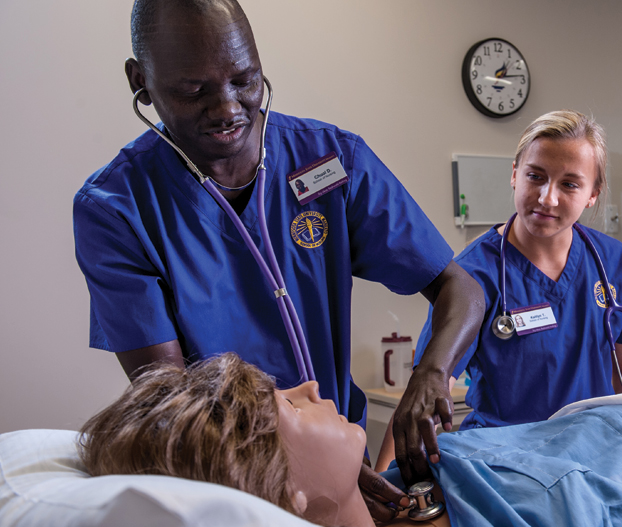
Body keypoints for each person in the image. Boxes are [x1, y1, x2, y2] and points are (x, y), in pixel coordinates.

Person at [71, 0, 483, 520]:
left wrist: (431, 374)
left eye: (245, 80)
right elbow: (175, 404)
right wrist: (311, 461)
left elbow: (460, 288)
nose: (227, 107)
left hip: (337, 453)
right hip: (236, 473)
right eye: (194, 90)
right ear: (141, 82)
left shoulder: (329, 161)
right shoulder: (116, 209)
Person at [79, 354, 622, 527]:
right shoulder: (534, 506)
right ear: (284, 492)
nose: (308, 385)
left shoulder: (410, 489)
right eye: (286, 406)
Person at [388, 111, 622, 470]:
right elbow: (425, 395)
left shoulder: (611, 261)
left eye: (570, 184)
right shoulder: (472, 274)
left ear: (593, 193)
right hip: (504, 464)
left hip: (593, 455)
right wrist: (385, 486)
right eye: (536, 176)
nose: (547, 198)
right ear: (515, 174)